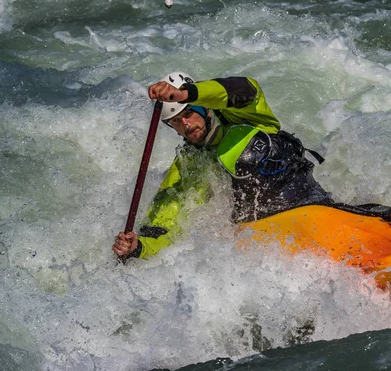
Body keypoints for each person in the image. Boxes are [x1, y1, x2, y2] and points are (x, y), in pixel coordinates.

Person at [112, 72, 333, 259]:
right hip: (259, 233)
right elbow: (164, 224)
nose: (186, 125)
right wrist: (138, 247)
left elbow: (245, 89)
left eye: (188, 113)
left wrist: (187, 93)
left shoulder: (243, 116)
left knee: (239, 148)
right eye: (176, 122)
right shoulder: (189, 164)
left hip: (307, 202)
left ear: (203, 108)